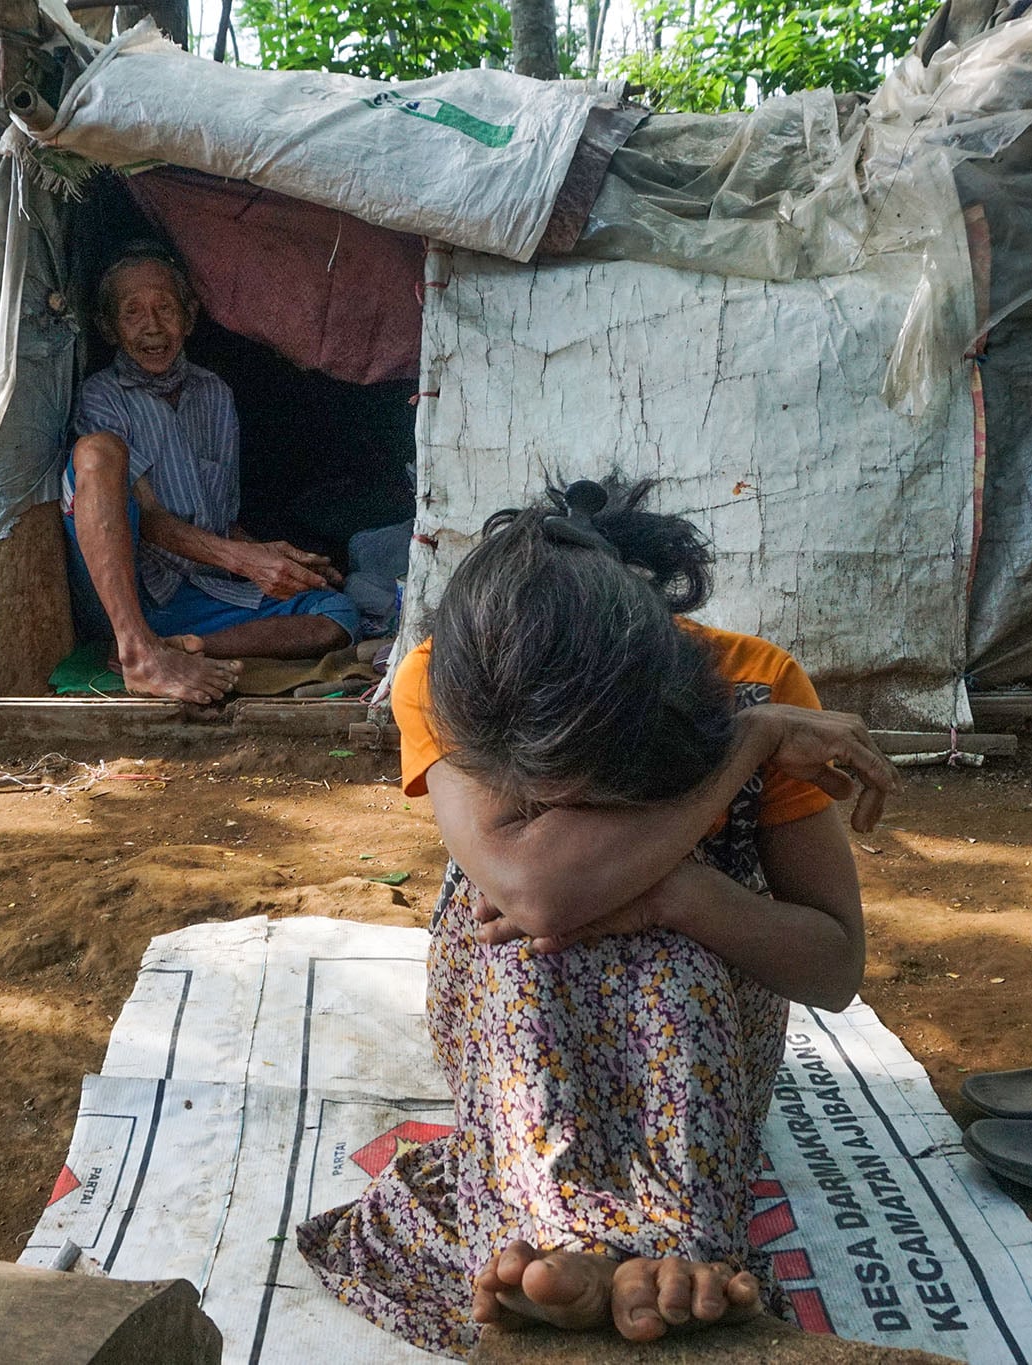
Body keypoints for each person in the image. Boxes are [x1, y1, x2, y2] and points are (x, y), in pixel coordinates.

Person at [297, 476, 896, 1358]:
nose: (551, 799)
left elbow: (835, 969)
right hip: (521, 990)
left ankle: (629, 1255)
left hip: (705, 1017)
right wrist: (752, 746)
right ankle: (600, 1251)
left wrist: (677, 893)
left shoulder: (755, 679)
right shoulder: (446, 673)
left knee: (671, 955)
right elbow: (535, 892)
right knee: (521, 941)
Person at [66, 249, 362, 704]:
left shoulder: (215, 394)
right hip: (130, 589)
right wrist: (244, 561)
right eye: (132, 312)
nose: (152, 326)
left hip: (196, 592)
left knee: (337, 616)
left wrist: (274, 560)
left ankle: (176, 649)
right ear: (109, 329)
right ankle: (136, 648)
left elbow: (217, 521)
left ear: (189, 317)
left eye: (165, 308)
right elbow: (147, 519)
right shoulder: (102, 396)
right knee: (97, 452)